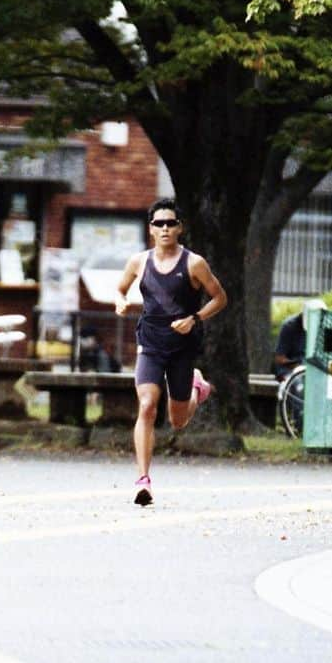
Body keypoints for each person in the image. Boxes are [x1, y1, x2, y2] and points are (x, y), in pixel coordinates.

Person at [115, 199, 227, 506]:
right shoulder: (139, 262)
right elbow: (120, 288)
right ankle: (143, 481)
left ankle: (196, 389)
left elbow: (219, 298)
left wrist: (195, 319)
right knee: (147, 405)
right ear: (150, 229)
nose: (165, 228)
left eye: (170, 223)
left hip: (182, 348)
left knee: (177, 421)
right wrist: (120, 302)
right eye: (158, 224)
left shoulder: (194, 264)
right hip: (150, 343)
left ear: (180, 228)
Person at [273, 298, 327, 380]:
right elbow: (279, 358)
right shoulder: (289, 326)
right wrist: (299, 367)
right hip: (291, 370)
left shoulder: (324, 326)